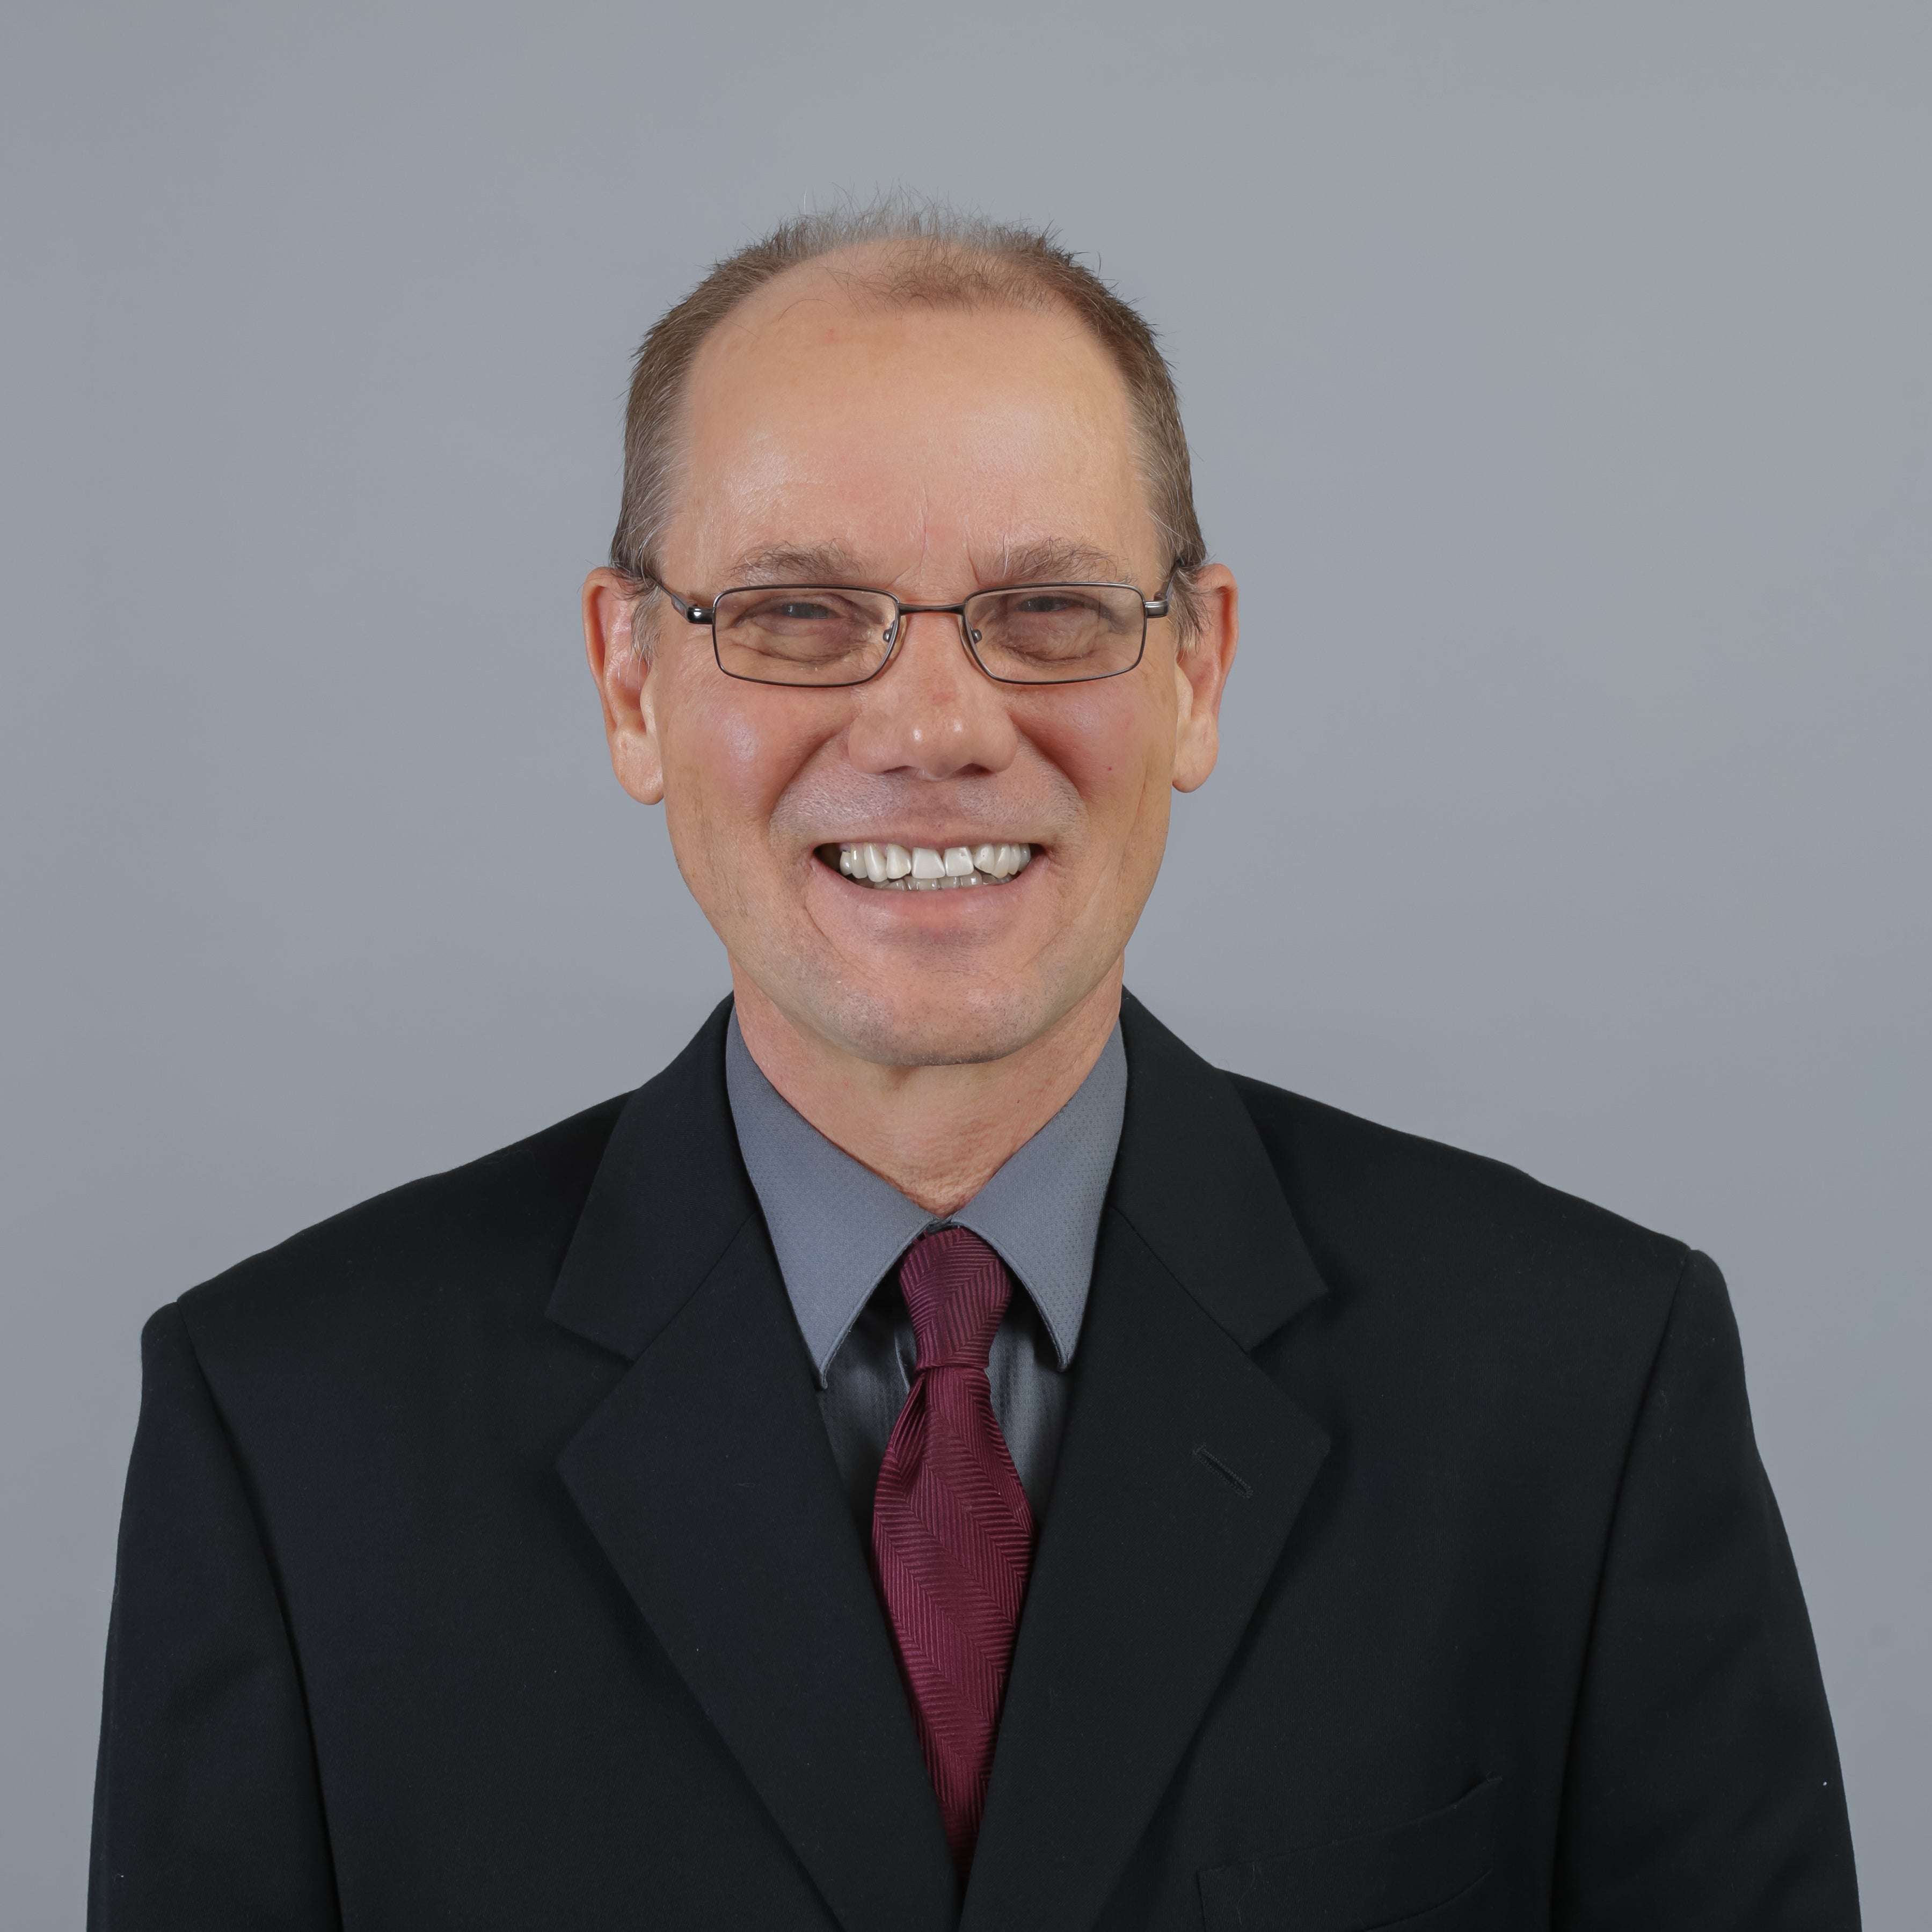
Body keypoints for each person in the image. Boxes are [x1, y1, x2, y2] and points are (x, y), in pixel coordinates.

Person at [89, 205, 1858, 1931]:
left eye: (1054, 611)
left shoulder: (1585, 1393)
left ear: (1199, 671)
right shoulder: (283, 1435)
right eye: (794, 614)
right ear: (630, 684)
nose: (937, 728)